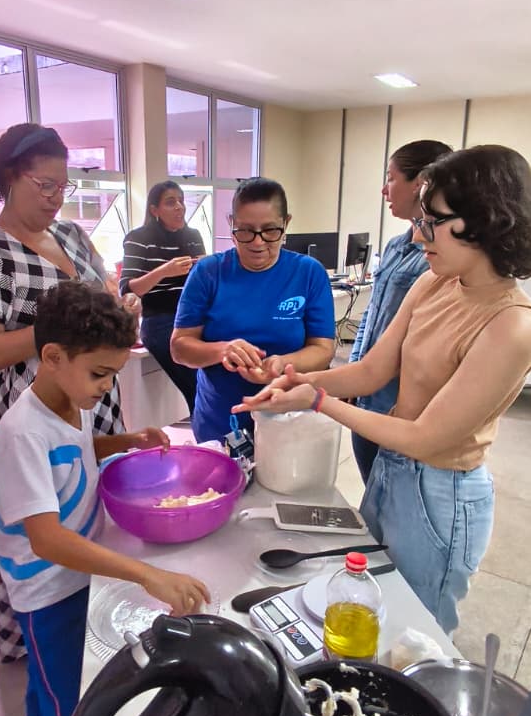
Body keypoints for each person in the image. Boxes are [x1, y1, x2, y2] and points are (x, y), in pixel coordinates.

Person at [233, 145, 531, 634]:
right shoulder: (435, 283)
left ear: (485, 221)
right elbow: (371, 371)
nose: (419, 233)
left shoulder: (510, 323)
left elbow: (425, 438)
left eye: (432, 222)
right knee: (376, 605)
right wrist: (300, 381)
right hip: (392, 470)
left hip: (442, 491)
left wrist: (319, 400)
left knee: (419, 629)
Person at [0, 280, 209, 716]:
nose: (107, 387)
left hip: (77, 568)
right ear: (53, 357)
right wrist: (145, 574)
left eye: (112, 374)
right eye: (99, 374)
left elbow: (74, 452)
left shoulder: (70, 402)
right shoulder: (22, 432)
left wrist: (126, 441)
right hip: (47, 587)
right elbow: (46, 538)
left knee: (47, 677)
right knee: (67, 695)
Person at [0, 122, 130, 662]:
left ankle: (98, 614)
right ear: (11, 177)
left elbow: (105, 292)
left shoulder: (72, 235)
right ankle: (30, 635)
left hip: (93, 395)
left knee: (94, 500)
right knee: (39, 517)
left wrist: (117, 309)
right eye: (45, 185)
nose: (56, 198)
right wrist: (61, 331)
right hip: (37, 405)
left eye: (64, 186)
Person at [170, 177, 336, 442]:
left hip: (289, 416)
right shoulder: (208, 272)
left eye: (270, 231)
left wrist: (281, 364)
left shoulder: (308, 273)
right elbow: (179, 347)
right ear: (231, 223)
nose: (258, 243)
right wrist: (223, 350)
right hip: (221, 419)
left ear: (286, 223)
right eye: (246, 231)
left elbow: (323, 349)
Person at [350, 139, 452, 484]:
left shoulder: (439, 262)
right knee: (373, 492)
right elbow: (372, 315)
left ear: (421, 183)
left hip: (399, 405)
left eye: (391, 178)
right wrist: (354, 370)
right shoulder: (395, 246)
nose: (384, 189)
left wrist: (318, 396)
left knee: (394, 491)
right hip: (367, 392)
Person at [119, 181, 205, 416]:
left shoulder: (193, 236)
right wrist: (165, 271)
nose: (179, 207)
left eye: (181, 201)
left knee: (219, 374)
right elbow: (128, 287)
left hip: (197, 316)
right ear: (154, 210)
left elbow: (203, 281)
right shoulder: (138, 238)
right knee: (197, 386)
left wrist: (207, 267)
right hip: (161, 320)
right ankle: (210, 431)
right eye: (170, 202)